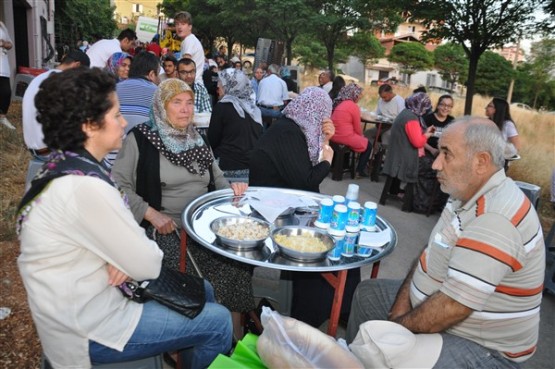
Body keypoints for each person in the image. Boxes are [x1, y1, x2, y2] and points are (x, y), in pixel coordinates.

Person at [17, 68, 232, 369]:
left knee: (205, 290)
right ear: (90, 125)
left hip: (81, 304)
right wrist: (125, 259)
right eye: (117, 115)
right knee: (219, 322)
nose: (123, 122)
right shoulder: (88, 186)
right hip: (91, 329)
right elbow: (148, 263)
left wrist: (117, 260)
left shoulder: (61, 166)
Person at [347, 117, 545, 368]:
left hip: (484, 347)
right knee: (368, 295)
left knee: (392, 349)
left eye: (446, 154)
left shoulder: (495, 217)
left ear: (481, 162)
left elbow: (453, 307)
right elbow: (431, 252)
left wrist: (398, 328)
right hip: (447, 307)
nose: (436, 164)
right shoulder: (464, 191)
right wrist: (399, 310)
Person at [112, 78, 253, 341]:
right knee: (187, 271)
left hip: (203, 225)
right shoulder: (141, 139)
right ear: (162, 106)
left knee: (237, 263)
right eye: (177, 102)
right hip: (165, 228)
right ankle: (190, 335)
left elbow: (218, 179)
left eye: (189, 103)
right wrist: (150, 213)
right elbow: (117, 187)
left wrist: (233, 191)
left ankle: (234, 336)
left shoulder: (198, 139)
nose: (185, 109)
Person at [22, 50, 90, 189]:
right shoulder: (65, 83)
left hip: (35, 147)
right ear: (76, 66)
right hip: (49, 151)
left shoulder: (40, 78)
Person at [249, 86, 334, 192]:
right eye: (324, 114)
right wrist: (327, 161)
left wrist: (325, 139)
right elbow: (308, 181)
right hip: (268, 198)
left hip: (278, 192)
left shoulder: (295, 127)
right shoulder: (288, 133)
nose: (325, 119)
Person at [379, 92, 435, 212]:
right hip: (405, 159)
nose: (426, 110)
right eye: (425, 107)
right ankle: (418, 201)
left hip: (396, 155)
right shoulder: (412, 119)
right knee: (431, 167)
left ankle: (401, 192)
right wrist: (427, 135)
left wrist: (425, 133)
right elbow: (418, 143)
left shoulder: (405, 113)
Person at [208, 69, 263, 182]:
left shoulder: (222, 107)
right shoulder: (254, 109)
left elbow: (212, 140)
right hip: (253, 169)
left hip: (227, 169)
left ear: (230, 85)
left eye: (221, 84)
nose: (218, 88)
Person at [413, 95, 455, 213]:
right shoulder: (428, 119)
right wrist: (431, 149)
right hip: (426, 150)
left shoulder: (452, 122)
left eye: (449, 106)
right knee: (428, 167)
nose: (445, 108)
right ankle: (421, 203)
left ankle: (437, 204)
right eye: (443, 104)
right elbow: (420, 138)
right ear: (438, 105)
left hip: (443, 154)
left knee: (448, 172)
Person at [330, 83, 372, 178]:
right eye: (359, 94)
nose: (360, 96)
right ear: (354, 94)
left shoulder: (340, 104)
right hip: (344, 137)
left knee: (361, 141)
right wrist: (361, 137)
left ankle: (346, 165)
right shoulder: (353, 106)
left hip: (333, 136)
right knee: (368, 145)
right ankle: (359, 171)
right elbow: (357, 127)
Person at [116, 51, 160, 133]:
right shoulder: (159, 93)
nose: (159, 78)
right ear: (152, 74)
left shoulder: (114, 89)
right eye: (158, 74)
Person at [175, 11, 205, 85]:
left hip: (193, 85)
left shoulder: (189, 40)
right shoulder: (190, 40)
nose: (179, 27)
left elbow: (185, 64)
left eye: (183, 24)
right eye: (177, 24)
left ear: (190, 27)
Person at [0, 21, 14, 129]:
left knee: (6, 92)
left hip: (2, 65)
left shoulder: (2, 25)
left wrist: (4, 44)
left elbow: (10, 44)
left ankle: (2, 117)